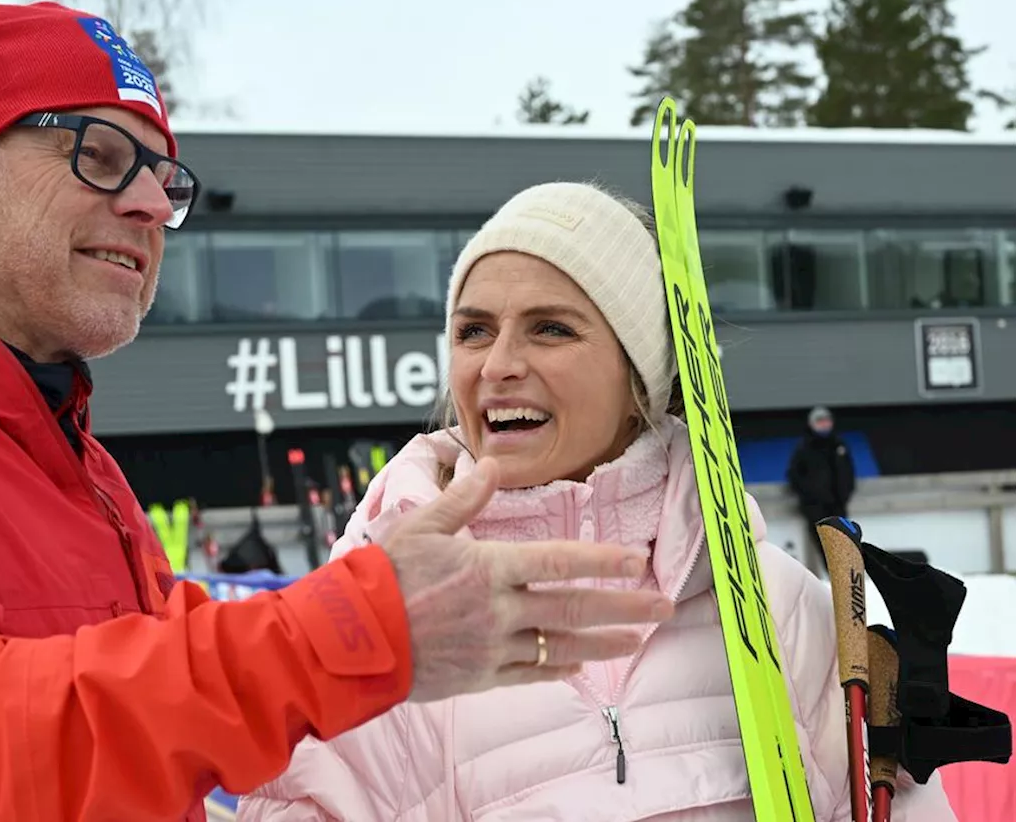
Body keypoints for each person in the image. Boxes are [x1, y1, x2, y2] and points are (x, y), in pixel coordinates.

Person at [0, 4, 673, 822]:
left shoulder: (71, 460)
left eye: (161, 178)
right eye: (97, 157)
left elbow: (152, 729)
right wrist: (353, 633)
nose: (151, 203)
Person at [237, 182, 957, 821]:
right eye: (473, 330)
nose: (499, 365)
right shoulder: (374, 629)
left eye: (551, 328)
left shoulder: (780, 611)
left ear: (638, 379)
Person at [787, 406, 857, 573]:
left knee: (842, 543)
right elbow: (794, 475)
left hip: (838, 505)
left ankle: (845, 579)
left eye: (827, 421)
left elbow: (848, 472)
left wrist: (844, 494)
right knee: (823, 546)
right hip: (815, 508)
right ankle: (831, 579)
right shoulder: (804, 448)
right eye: (820, 421)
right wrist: (810, 496)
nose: (824, 425)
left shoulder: (839, 445)